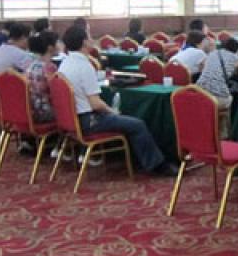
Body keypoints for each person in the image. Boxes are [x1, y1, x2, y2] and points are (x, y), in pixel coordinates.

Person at [58, 25, 175, 176]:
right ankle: (157, 165)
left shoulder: (65, 63)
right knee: (137, 124)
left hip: (72, 120)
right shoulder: (84, 66)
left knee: (126, 119)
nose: (92, 40)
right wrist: (112, 112)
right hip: (88, 121)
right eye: (90, 37)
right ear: (84, 42)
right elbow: (96, 104)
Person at [196, 37, 238, 110]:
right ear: (237, 50)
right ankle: (233, 116)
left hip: (199, 93)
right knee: (234, 95)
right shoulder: (235, 57)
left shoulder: (213, 53)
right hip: (217, 98)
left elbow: (201, 67)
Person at [26, 31, 59, 125]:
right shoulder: (50, 67)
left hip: (33, 109)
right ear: (50, 48)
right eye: (57, 42)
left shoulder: (31, 65)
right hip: (46, 111)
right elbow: (57, 91)